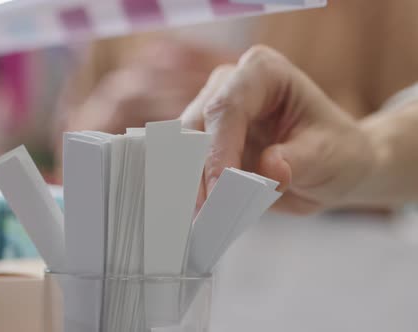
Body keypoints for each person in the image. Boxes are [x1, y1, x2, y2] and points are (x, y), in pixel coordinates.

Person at [56, 0, 418, 214]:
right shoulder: (112, 21)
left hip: (331, 276)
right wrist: (102, 127)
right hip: (152, 274)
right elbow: (67, 145)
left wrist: (361, 147)